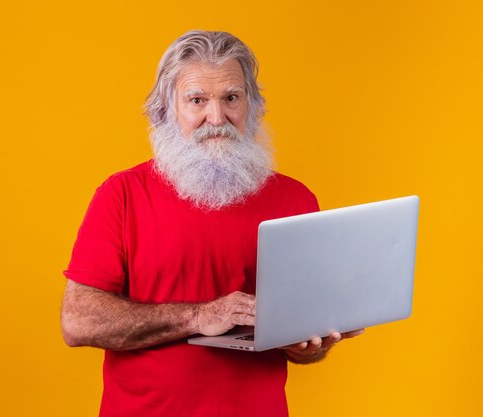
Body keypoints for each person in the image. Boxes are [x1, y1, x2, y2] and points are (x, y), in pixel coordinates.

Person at [61, 30, 364, 417]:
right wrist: (200, 316)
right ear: (166, 110)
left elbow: (301, 337)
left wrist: (310, 345)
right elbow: (78, 322)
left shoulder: (296, 199)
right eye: (197, 100)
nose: (216, 118)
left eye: (231, 98)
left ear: (251, 108)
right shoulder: (121, 195)